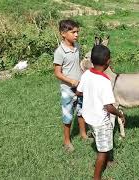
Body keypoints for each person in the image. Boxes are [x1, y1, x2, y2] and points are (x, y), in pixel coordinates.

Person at [76, 45, 125, 180]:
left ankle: (109, 161)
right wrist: (120, 114)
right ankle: (96, 177)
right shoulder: (104, 81)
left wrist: (90, 93)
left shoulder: (86, 74)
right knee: (102, 151)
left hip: (89, 118)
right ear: (108, 62)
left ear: (91, 60)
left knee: (104, 141)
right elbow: (109, 107)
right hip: (101, 120)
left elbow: (78, 92)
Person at [53, 19, 88, 152]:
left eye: (77, 32)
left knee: (81, 111)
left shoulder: (77, 46)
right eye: (73, 32)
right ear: (63, 33)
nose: (76, 35)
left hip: (80, 87)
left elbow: (77, 65)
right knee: (68, 114)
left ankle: (83, 134)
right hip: (67, 89)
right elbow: (57, 73)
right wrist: (70, 81)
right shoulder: (60, 52)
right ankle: (67, 141)